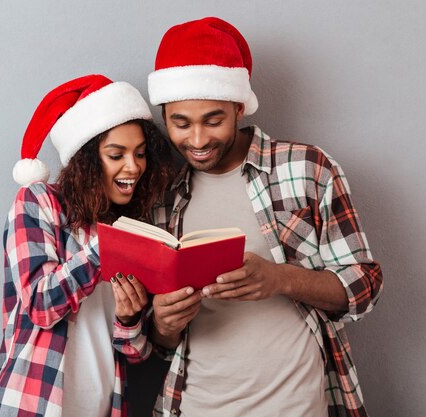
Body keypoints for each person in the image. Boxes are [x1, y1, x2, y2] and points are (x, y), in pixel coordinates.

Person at [146, 17, 384, 417]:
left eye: (213, 120)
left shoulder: (308, 168)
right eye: (181, 123)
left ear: (239, 106)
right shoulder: (162, 196)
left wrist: (280, 278)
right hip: (194, 404)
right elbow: (159, 342)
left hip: (295, 404)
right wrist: (164, 325)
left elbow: (365, 284)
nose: (198, 140)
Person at [0, 74, 173, 417]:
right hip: (33, 406)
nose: (134, 166)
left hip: (104, 406)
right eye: (117, 154)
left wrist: (129, 318)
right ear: (86, 159)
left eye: (140, 153)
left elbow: (136, 353)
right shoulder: (38, 201)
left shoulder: (131, 226)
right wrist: (110, 246)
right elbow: (40, 304)